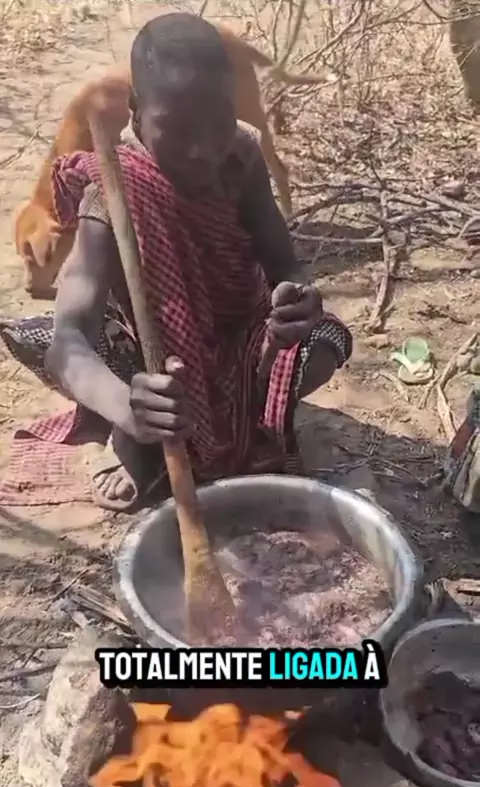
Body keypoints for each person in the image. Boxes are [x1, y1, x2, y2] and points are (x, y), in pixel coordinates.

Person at [1, 12, 352, 511]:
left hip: (239, 339)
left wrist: (295, 301)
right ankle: (135, 436)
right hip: (152, 364)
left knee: (324, 341)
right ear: (136, 115)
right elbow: (69, 342)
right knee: (121, 375)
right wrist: (128, 407)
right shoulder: (115, 192)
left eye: (219, 123)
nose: (203, 150)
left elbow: (285, 266)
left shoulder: (241, 157)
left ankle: (220, 419)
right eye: (177, 129)